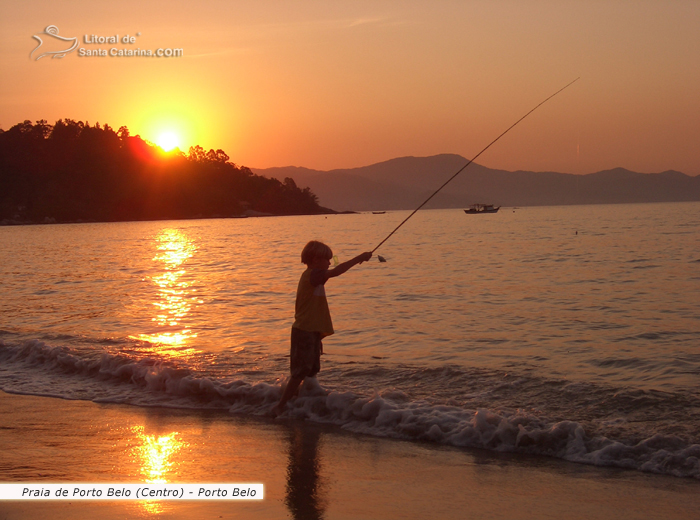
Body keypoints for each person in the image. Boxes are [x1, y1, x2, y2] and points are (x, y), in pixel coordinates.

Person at [272, 241, 372, 416]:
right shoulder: (312, 275)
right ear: (316, 259)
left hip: (310, 331)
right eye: (327, 259)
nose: (329, 262)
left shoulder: (314, 276)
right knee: (301, 371)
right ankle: (281, 405)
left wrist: (317, 336)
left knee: (311, 370)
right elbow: (336, 271)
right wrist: (359, 258)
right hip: (304, 330)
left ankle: (301, 404)